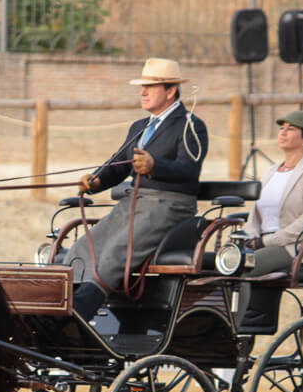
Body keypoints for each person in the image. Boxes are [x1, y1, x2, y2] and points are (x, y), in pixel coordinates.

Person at [64, 58, 208, 322]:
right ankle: (59, 302)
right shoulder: (139, 127)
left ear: (170, 91)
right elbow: (118, 164)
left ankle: (81, 312)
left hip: (171, 207)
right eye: (142, 86)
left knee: (117, 251)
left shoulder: (190, 125)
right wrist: (96, 181)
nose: (142, 92)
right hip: (134, 203)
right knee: (84, 246)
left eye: (150, 87)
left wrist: (155, 166)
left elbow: (189, 170)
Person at [237, 109, 303, 328]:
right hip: (262, 244)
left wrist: (267, 242)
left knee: (244, 267)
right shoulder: (270, 172)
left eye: (291, 129)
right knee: (221, 264)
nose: (283, 133)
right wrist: (248, 237)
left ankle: (238, 327)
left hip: (294, 247)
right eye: (282, 128)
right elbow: (256, 215)